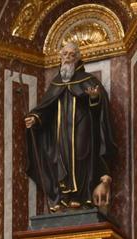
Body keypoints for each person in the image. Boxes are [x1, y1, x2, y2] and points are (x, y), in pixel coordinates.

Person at [24, 41, 117, 213]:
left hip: (82, 129)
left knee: (81, 157)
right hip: (60, 132)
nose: (68, 57)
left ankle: (81, 196)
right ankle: (63, 197)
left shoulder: (88, 80)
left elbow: (99, 114)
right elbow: (47, 107)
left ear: (78, 58)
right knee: (60, 160)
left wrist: (94, 98)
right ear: (60, 57)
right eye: (65, 54)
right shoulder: (56, 83)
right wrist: (35, 118)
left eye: (72, 54)